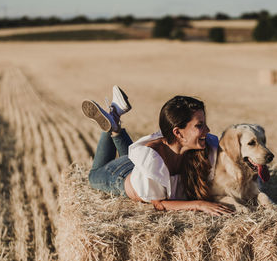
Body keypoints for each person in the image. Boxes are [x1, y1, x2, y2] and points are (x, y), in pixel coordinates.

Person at [81, 86, 233, 216]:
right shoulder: (153, 157)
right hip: (120, 176)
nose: (208, 130)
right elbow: (159, 204)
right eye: (199, 125)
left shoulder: (202, 148)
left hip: (142, 169)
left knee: (135, 160)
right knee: (94, 175)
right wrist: (199, 204)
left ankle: (114, 118)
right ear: (178, 133)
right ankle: (112, 123)